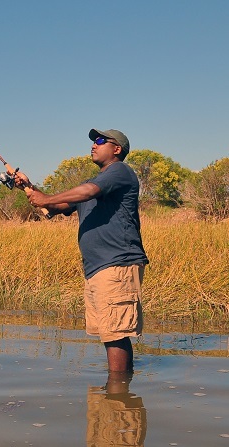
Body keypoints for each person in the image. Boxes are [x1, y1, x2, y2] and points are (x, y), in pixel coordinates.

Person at [15, 129, 148, 373]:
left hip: (117, 263)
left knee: (116, 333)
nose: (93, 145)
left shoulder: (119, 172)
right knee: (109, 333)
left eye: (100, 141)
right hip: (98, 268)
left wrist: (44, 199)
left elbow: (83, 193)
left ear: (116, 149)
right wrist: (29, 187)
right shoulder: (93, 184)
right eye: (93, 141)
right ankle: (114, 395)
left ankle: (118, 396)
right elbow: (55, 206)